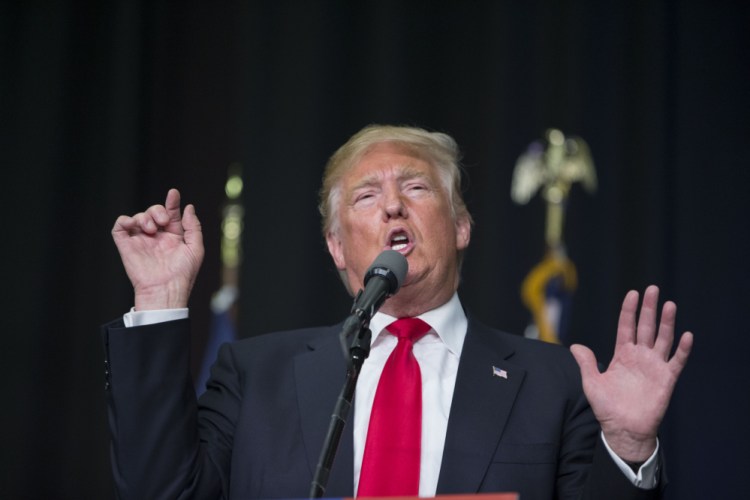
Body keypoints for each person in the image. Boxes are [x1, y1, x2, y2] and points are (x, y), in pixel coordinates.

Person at [104, 125, 693, 499]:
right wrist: (158, 302)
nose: (391, 204)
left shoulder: (555, 381)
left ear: (460, 226)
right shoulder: (256, 374)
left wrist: (628, 450)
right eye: (366, 196)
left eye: (415, 188)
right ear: (336, 245)